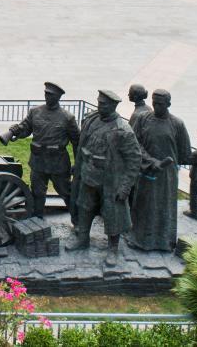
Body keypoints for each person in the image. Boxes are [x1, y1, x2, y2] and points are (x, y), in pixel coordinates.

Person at [66, 89, 142, 265]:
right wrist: (78, 165)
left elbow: (134, 159)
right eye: (99, 102)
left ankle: (113, 249)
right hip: (88, 175)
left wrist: (125, 187)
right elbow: (82, 145)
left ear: (113, 106)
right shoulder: (92, 121)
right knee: (84, 207)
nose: (99, 106)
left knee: (112, 214)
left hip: (110, 181)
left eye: (104, 104)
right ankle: (83, 239)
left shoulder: (123, 130)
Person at [0, 82, 79, 217]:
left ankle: (77, 221)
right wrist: (16, 132)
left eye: (50, 95)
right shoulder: (35, 112)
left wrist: (77, 163)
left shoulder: (67, 118)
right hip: (38, 161)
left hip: (57, 163)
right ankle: (37, 219)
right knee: (37, 192)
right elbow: (25, 129)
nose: (47, 96)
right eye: (46, 93)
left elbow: (77, 142)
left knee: (66, 192)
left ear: (58, 97)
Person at [127, 89, 191, 252]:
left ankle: (164, 242)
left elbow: (184, 153)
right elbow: (134, 143)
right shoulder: (143, 119)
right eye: (154, 103)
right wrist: (150, 161)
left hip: (166, 176)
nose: (156, 106)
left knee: (164, 206)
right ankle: (139, 239)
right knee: (142, 204)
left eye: (160, 104)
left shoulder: (177, 124)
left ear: (168, 104)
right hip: (146, 171)